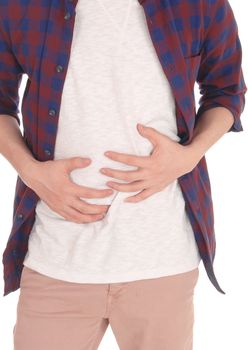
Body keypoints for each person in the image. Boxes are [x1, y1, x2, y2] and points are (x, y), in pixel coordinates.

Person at [0, 0, 246, 349]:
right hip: (55, 257)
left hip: (162, 259)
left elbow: (227, 90)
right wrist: (30, 171)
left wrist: (188, 157)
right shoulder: (21, 6)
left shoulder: (200, 4)